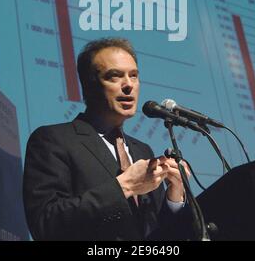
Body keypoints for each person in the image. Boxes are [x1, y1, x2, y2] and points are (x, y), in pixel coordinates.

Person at [23, 37, 188, 241]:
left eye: (134, 75)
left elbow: (155, 234)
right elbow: (45, 223)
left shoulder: (142, 151)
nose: (128, 85)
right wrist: (124, 186)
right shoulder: (53, 140)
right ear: (89, 85)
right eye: (114, 76)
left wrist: (175, 196)